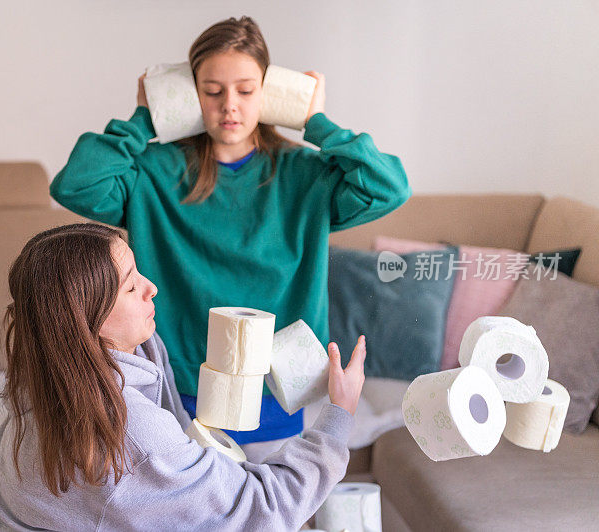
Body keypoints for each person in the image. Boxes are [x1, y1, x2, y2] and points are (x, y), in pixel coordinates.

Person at [50, 16, 410, 456]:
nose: (229, 106)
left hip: (279, 389)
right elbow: (74, 185)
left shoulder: (307, 175)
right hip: (182, 384)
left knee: (273, 513)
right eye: (212, 90)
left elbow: (388, 186)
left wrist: (314, 120)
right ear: (189, 92)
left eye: (246, 89)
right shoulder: (152, 172)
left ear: (269, 91)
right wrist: (146, 117)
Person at [0, 223, 367, 531]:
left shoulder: (49, 367)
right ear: (90, 320)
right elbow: (262, 511)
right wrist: (338, 415)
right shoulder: (127, 435)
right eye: (129, 286)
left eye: (138, 271)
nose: (151, 287)